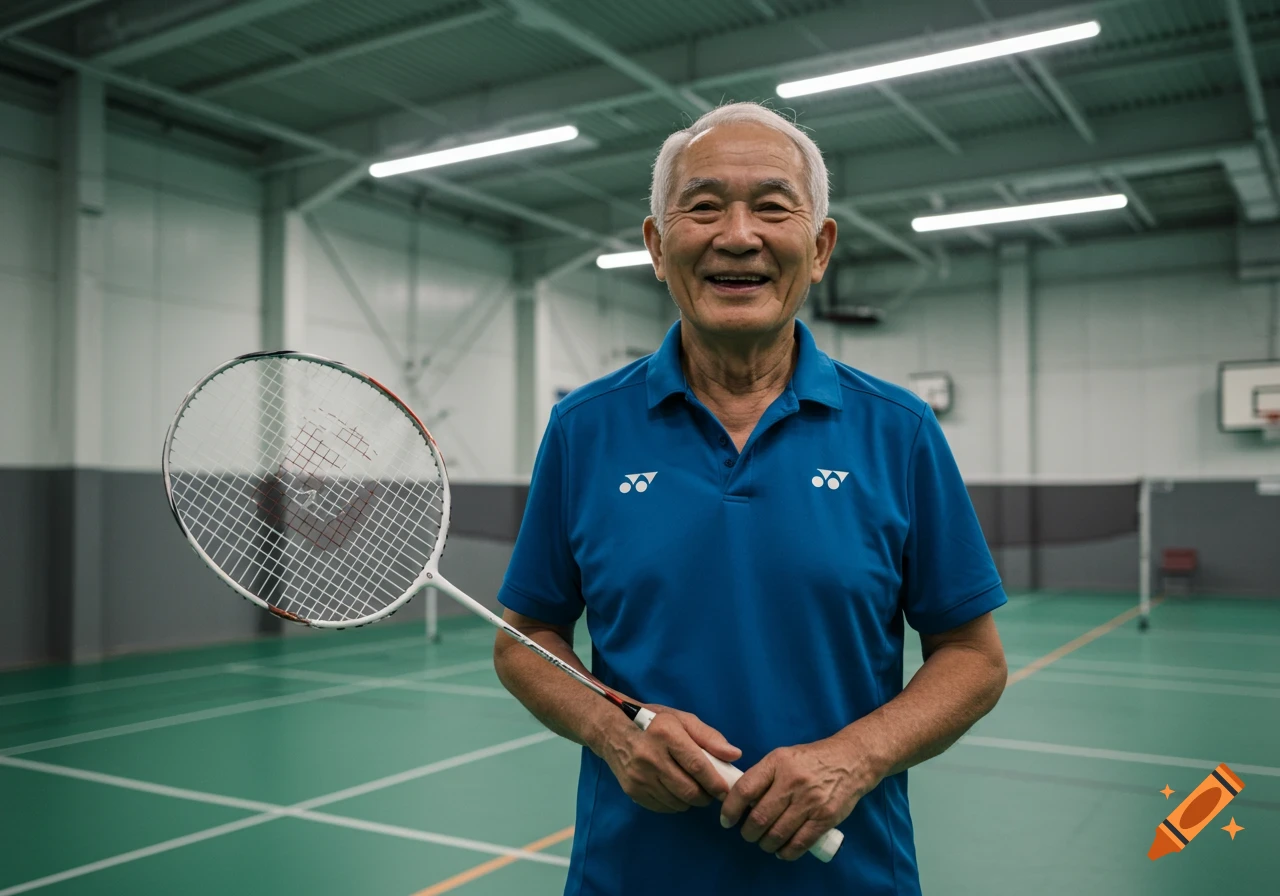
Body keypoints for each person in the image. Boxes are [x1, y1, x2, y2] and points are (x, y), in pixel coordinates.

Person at [493, 101, 1008, 895]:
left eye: (772, 207)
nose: (738, 235)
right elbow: (524, 639)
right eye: (702, 207)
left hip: (850, 877)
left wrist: (853, 758)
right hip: (632, 876)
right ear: (658, 248)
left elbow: (973, 658)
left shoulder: (899, 431)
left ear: (822, 246)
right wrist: (611, 731)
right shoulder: (583, 429)